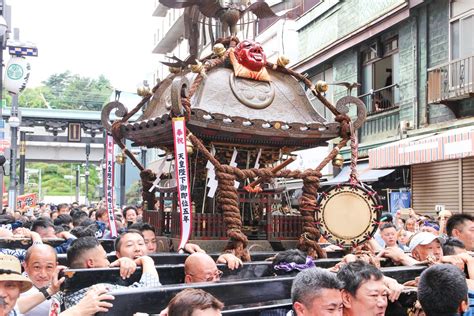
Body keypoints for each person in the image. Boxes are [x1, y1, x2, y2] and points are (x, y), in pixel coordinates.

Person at [64, 236, 161, 309]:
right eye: (105, 258)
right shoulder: (99, 289)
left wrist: (129, 263)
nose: (108, 262)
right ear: (91, 263)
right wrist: (146, 260)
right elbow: (150, 290)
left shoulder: (64, 291)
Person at [18, 244, 61, 316]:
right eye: (37, 267)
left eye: (49, 267)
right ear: (25, 266)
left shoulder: (62, 283)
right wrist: (50, 291)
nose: (43, 274)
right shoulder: (15, 288)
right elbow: (10, 309)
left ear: (56, 266)